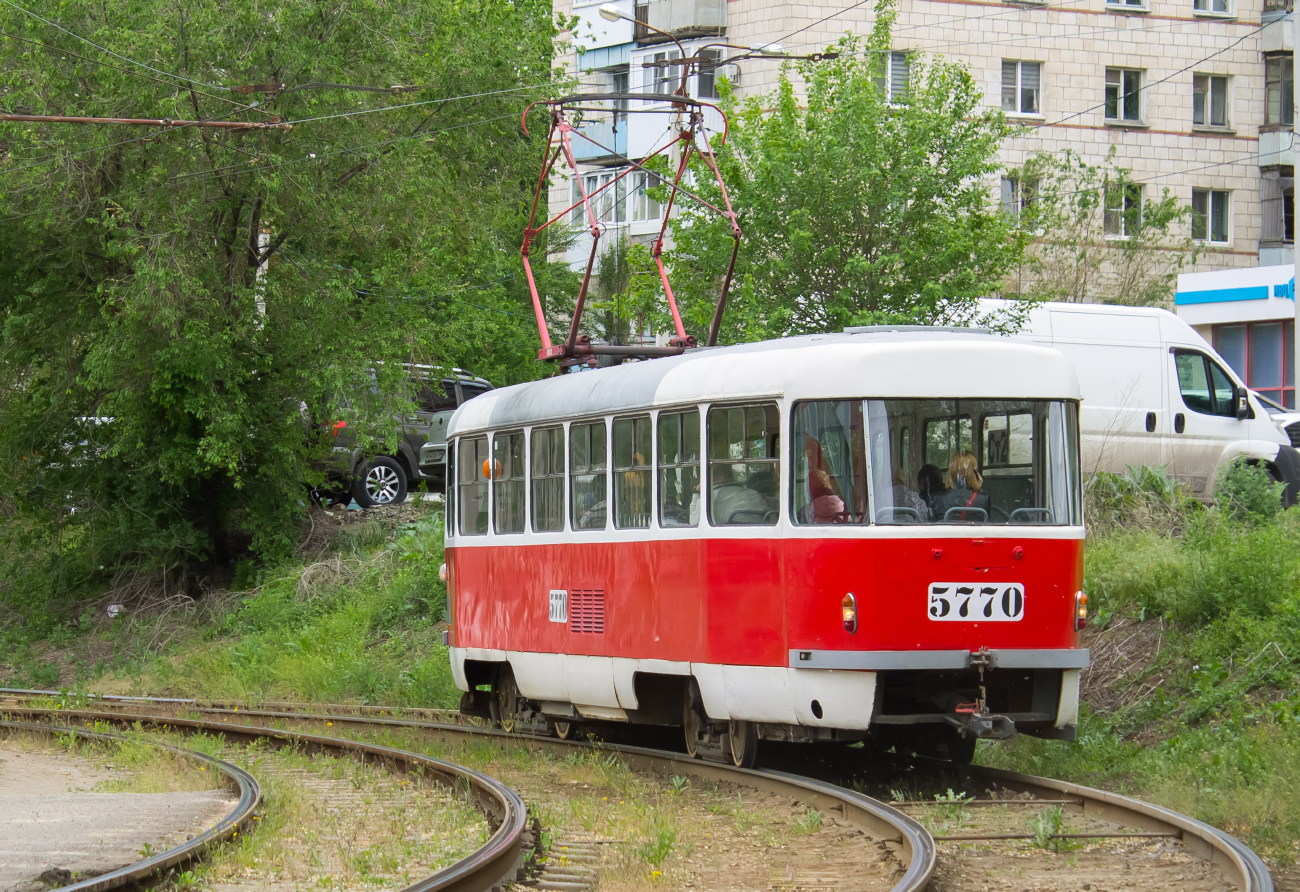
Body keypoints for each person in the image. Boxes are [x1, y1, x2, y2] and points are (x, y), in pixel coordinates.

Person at [932, 450, 990, 522]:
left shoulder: (937, 497)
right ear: (975, 473)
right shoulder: (983, 498)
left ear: (951, 470)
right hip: (972, 533)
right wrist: (978, 489)